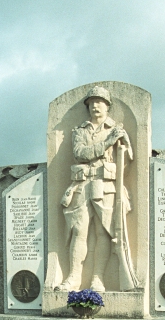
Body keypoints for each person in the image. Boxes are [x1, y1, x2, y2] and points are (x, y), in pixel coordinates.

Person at [56, 85, 132, 292]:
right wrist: (108, 142)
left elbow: (127, 158)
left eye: (100, 102)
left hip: (106, 186)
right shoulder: (80, 131)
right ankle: (73, 278)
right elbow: (80, 153)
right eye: (91, 103)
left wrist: (122, 140)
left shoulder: (116, 129)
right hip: (82, 185)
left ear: (107, 106)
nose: (95, 106)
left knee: (103, 232)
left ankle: (97, 279)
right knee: (78, 231)